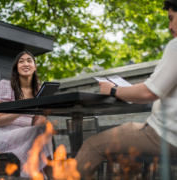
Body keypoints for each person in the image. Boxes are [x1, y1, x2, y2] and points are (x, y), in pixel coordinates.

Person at [75, 0, 177, 178]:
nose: (169, 27)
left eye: (171, 18)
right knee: (125, 156)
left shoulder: (175, 46)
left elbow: (149, 92)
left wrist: (113, 90)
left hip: (165, 136)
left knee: (92, 145)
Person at [0, 51, 53, 179]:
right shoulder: (6, 85)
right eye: (21, 61)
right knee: (38, 133)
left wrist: (43, 113)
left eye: (29, 60)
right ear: (16, 67)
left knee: (44, 130)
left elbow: (36, 125)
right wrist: (24, 109)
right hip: (2, 136)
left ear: (35, 67)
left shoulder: (38, 91)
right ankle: (53, 176)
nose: (25, 64)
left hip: (27, 136)